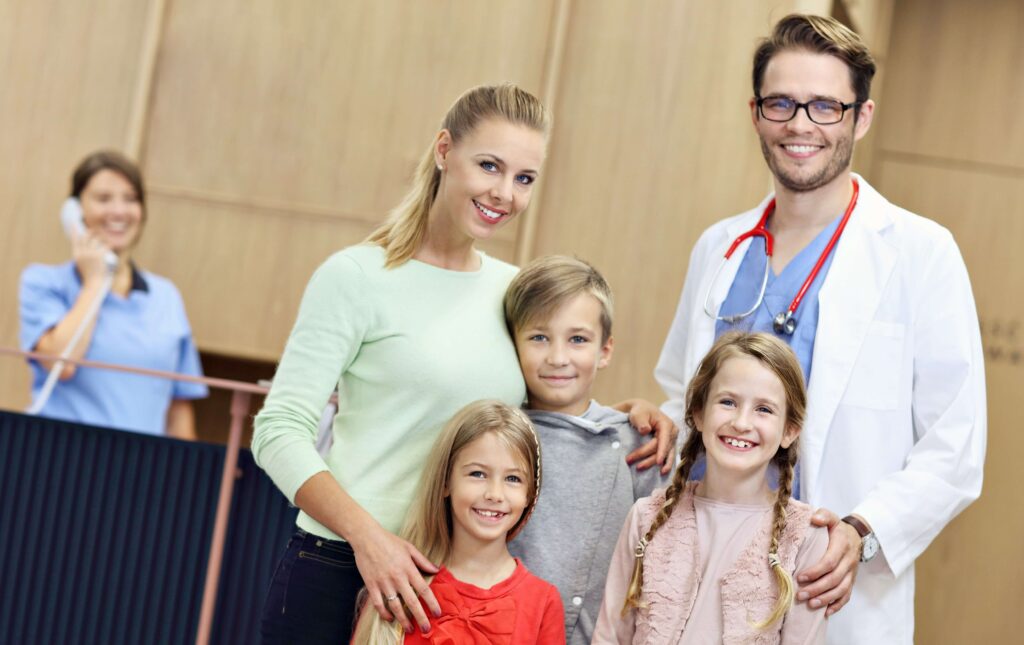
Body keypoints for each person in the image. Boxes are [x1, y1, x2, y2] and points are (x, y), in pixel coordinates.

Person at [652, 14, 986, 643]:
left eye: (825, 106)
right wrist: (652, 426)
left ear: (861, 117)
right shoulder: (719, 248)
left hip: (827, 586)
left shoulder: (919, 253)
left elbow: (956, 446)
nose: (800, 125)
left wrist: (863, 531)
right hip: (700, 571)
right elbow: (681, 395)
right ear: (756, 113)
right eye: (781, 103)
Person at [594, 332, 828, 644]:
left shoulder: (804, 538)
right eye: (728, 402)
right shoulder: (646, 518)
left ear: (789, 430)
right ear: (698, 413)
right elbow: (609, 637)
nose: (742, 422)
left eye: (764, 409)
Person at [503, 255, 669, 644]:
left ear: (605, 351)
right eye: (539, 337)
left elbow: (660, 565)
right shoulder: (495, 437)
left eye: (578, 339)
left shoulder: (640, 445)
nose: (558, 357)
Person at [18, 150, 208, 438]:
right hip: (59, 458)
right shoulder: (43, 282)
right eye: (103, 199)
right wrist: (95, 283)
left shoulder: (166, 296)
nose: (119, 211)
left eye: (130, 199)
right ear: (74, 211)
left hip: (138, 468)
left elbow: (179, 406)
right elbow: (61, 364)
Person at [351, 400, 565, 644]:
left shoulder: (543, 601)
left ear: (530, 494)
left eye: (513, 478)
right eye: (477, 474)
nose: (495, 494)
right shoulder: (401, 580)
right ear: (445, 482)